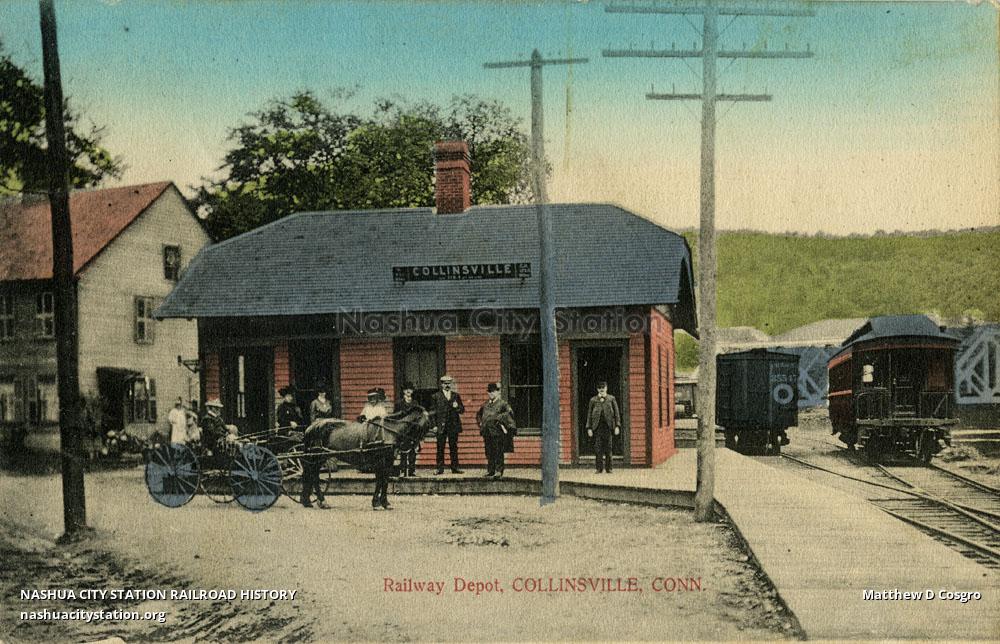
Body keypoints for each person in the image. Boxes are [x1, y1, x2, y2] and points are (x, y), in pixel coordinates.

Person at [476, 382, 516, 478]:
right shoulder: (485, 405)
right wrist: (480, 423)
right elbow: (478, 415)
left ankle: (499, 470)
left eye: (493, 392)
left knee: (498, 451)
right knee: (489, 452)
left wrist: (500, 418)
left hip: (498, 432)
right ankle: (490, 470)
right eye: (489, 392)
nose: (491, 394)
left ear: (498, 392)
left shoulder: (503, 404)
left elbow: (510, 413)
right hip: (487, 432)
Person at [431, 374, 464, 474]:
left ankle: (455, 467)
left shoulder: (456, 396)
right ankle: (439, 468)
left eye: (449, 383)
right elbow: (432, 413)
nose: (447, 385)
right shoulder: (435, 396)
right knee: (440, 447)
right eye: (445, 383)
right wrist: (434, 425)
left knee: (453, 447)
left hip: (453, 426)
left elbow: (462, 410)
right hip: (441, 426)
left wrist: (457, 406)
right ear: (441, 385)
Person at [586, 381, 621, 474]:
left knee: (608, 448)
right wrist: (589, 428)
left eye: (603, 388)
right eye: (599, 388)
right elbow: (589, 415)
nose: (601, 390)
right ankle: (599, 468)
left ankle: (609, 468)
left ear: (606, 388)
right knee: (598, 448)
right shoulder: (593, 400)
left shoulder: (611, 399)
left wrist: (617, 426)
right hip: (597, 428)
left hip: (608, 427)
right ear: (597, 389)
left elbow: (617, 414)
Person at [394, 382, 422, 477]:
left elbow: (419, 416)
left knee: (413, 451)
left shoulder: (415, 403)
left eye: (410, 389)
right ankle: (402, 470)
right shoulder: (399, 403)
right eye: (406, 389)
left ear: (412, 391)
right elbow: (395, 417)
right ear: (403, 391)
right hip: (403, 430)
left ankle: (411, 471)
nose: (408, 391)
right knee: (403, 450)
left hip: (413, 430)